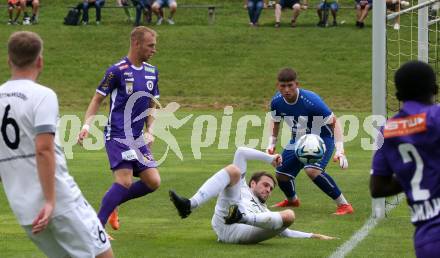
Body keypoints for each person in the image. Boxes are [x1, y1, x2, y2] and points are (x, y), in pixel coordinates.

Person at [0, 31, 114, 258]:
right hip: (60, 201)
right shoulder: (43, 95)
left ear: (8, 60)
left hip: (23, 208)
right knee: (103, 255)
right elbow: (43, 149)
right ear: (40, 61)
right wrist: (51, 202)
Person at [77, 26, 160, 233]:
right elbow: (97, 99)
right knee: (124, 181)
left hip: (137, 137)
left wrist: (150, 129)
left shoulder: (152, 72)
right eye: (150, 46)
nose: (154, 50)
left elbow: (152, 105)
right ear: (136, 43)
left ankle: (113, 204)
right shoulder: (116, 71)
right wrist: (86, 125)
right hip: (117, 134)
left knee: (153, 181)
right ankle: (96, 228)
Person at [169, 147, 335, 244]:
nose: (268, 190)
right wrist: (270, 158)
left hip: (244, 229)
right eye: (265, 185)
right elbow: (241, 152)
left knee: (289, 215)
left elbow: (285, 231)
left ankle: (241, 217)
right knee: (233, 170)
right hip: (225, 219)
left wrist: (313, 235)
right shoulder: (241, 186)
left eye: (271, 189)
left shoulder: (264, 212)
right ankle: (189, 205)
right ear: (252, 183)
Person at [370, 60, 440, 258]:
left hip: (426, 241)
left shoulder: (388, 130)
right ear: (435, 88)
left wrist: (415, 172)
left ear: (398, 96)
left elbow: (378, 188)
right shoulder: (437, 117)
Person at [266, 68, 354, 215]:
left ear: (297, 84)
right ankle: (292, 200)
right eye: (283, 86)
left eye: (290, 85)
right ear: (278, 85)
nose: (287, 89)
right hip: (299, 140)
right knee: (281, 174)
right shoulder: (276, 102)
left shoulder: (312, 101)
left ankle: (344, 205)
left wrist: (340, 150)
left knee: (312, 170)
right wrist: (271, 144)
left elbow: (334, 123)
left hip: (322, 139)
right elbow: (275, 122)